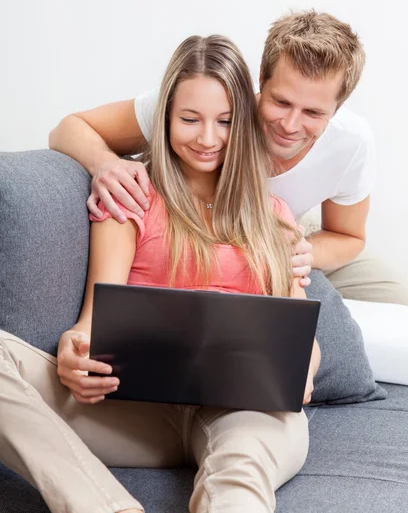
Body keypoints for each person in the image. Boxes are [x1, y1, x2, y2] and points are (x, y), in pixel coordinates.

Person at [0, 35, 320, 513]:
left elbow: (301, 338)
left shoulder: (274, 217)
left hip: (247, 412)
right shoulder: (132, 197)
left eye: (226, 122)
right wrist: (76, 352)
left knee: (242, 467)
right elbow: (91, 320)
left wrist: (302, 372)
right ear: (165, 117)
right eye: (190, 119)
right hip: (138, 415)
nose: (207, 138)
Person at [49, 10, 408, 307]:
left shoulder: (351, 143)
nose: (289, 125)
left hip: (290, 233)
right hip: (222, 225)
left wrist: (302, 252)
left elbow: (348, 235)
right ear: (260, 80)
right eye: (281, 102)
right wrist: (105, 163)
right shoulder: (210, 105)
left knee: (404, 305)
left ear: (337, 109)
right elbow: (69, 127)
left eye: (313, 113)